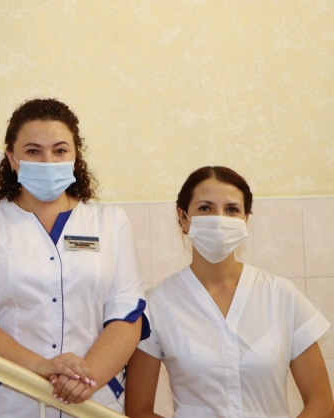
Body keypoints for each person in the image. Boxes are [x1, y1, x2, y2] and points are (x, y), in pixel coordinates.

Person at [0, 98, 149, 417]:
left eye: (59, 151)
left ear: (75, 156)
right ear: (12, 159)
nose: (48, 161)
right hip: (12, 401)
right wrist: (39, 367)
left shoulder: (111, 222)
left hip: (94, 401)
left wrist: (88, 377)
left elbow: (127, 316)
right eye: (33, 151)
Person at [125, 166, 334, 418]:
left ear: (245, 220)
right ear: (183, 218)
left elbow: (321, 402)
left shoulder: (281, 295)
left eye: (232, 210)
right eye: (205, 208)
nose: (219, 219)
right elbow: (138, 410)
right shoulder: (156, 304)